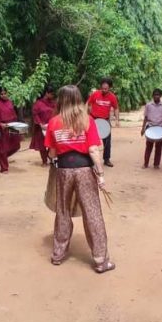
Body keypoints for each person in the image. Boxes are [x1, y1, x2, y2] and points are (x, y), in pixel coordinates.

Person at [45, 85, 114, 273]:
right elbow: (93, 150)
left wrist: (56, 156)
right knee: (92, 213)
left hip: (64, 170)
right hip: (84, 170)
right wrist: (100, 175)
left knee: (63, 211)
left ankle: (58, 254)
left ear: (61, 100)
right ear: (78, 99)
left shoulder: (53, 122)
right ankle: (101, 260)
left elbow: (51, 153)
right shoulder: (87, 120)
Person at [86, 77, 119, 167]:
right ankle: (89, 159)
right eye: (103, 88)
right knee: (91, 140)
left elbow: (116, 108)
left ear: (109, 88)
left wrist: (117, 120)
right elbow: (88, 104)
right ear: (101, 86)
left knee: (107, 141)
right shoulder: (95, 94)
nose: (104, 90)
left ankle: (107, 159)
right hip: (94, 119)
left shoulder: (112, 97)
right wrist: (86, 115)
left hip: (105, 120)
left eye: (106, 89)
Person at [0, 86, 22, 173]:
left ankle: (3, 157)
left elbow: (14, 114)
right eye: (1, 94)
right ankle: (4, 168)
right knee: (3, 148)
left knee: (16, 145)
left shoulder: (10, 102)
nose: (3, 95)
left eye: (5, 93)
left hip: (12, 126)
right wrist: (0, 124)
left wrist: (16, 125)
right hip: (2, 128)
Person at [140, 88, 162, 169]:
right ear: (152, 96)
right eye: (155, 95)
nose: (156, 96)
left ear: (160, 96)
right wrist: (143, 129)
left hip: (160, 128)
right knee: (149, 147)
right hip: (150, 128)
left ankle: (156, 164)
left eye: (158, 95)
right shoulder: (148, 105)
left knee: (159, 147)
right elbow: (145, 118)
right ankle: (145, 163)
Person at [30, 85, 56, 165]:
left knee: (52, 143)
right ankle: (44, 161)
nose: (52, 96)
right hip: (41, 127)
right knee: (42, 145)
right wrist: (40, 124)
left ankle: (50, 156)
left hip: (51, 126)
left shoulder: (53, 103)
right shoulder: (38, 103)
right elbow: (35, 114)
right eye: (51, 94)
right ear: (46, 93)